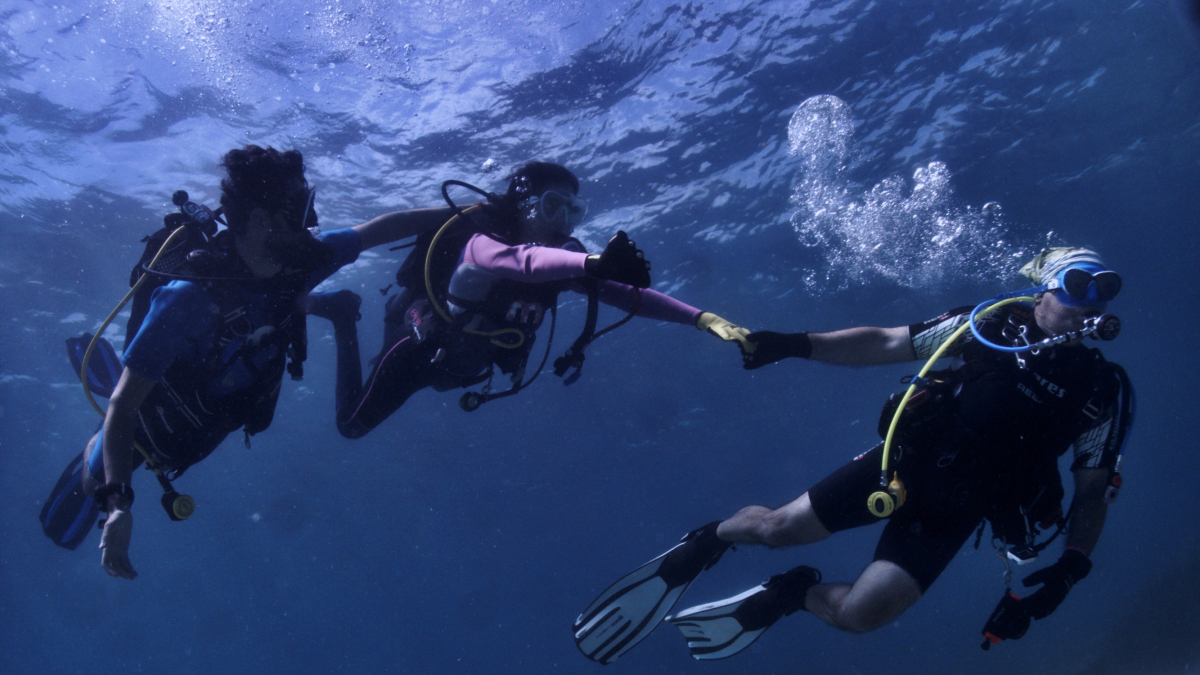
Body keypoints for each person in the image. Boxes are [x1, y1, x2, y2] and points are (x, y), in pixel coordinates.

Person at [573, 247, 1133, 663]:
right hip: (902, 468)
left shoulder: (1102, 389)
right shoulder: (986, 326)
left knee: (863, 616)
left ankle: (793, 593)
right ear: (1043, 290)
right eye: (1078, 283)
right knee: (774, 529)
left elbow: (1091, 489)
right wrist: (795, 344)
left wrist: (1071, 569)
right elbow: (888, 342)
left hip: (957, 512)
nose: (1090, 300)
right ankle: (711, 539)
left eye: (1103, 289)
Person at [40, 145, 452, 578]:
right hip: (150, 420)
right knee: (94, 480)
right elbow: (124, 408)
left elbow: (385, 228)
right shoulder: (187, 299)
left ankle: (138, 370)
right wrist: (118, 504)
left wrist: (479, 211)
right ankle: (104, 421)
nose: (311, 223)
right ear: (261, 219)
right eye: (300, 210)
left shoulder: (302, 262)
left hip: (212, 416)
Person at [306, 161, 751, 439]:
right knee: (350, 427)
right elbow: (518, 261)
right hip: (416, 349)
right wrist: (592, 263)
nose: (562, 222)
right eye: (551, 206)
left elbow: (629, 296)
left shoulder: (567, 262)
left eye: (572, 212)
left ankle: (345, 316)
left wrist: (702, 318)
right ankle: (343, 316)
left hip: (462, 370)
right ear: (520, 205)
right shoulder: (481, 244)